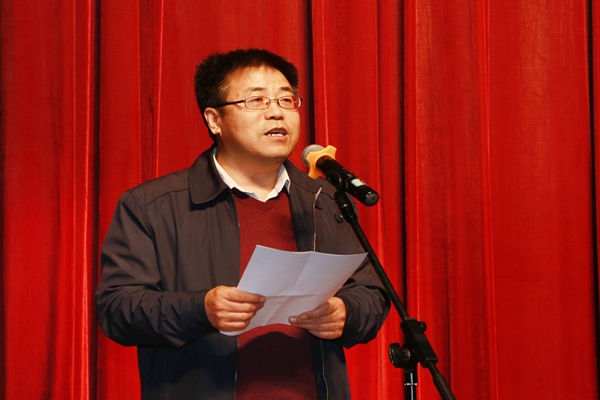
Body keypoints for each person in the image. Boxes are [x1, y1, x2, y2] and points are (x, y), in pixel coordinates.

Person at [96, 48, 389, 400]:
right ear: (214, 120)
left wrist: (346, 313)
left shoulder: (324, 201)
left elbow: (372, 293)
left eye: (286, 100)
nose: (276, 112)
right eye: (256, 100)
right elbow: (117, 308)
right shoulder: (153, 206)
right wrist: (200, 309)